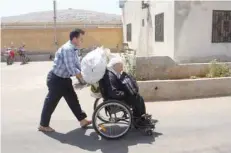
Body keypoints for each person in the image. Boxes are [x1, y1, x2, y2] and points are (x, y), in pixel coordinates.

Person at [39, 29, 91, 132]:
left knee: (73, 99)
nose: (82, 41)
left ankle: (82, 120)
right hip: (56, 80)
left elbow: (77, 65)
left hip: (64, 79)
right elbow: (71, 69)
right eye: (81, 39)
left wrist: (85, 72)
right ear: (74, 39)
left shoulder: (74, 49)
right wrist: (86, 78)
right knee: (51, 102)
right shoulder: (68, 49)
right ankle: (43, 125)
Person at [99, 57, 152, 126]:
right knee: (138, 99)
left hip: (115, 97)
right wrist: (125, 93)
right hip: (115, 99)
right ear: (115, 65)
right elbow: (113, 92)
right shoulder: (110, 76)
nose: (122, 68)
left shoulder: (111, 73)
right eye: (120, 66)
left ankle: (139, 117)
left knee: (138, 97)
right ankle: (140, 119)